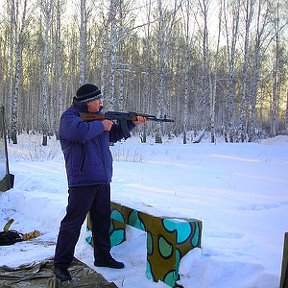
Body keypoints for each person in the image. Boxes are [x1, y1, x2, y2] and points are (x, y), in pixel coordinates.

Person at [54, 83, 146, 281]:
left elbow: (112, 134)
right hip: (82, 180)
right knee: (73, 223)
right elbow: (79, 133)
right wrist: (101, 125)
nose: (101, 102)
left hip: (102, 178)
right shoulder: (69, 118)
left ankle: (103, 257)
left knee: (102, 221)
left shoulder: (99, 118)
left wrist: (130, 123)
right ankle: (61, 264)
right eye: (97, 100)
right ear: (87, 102)